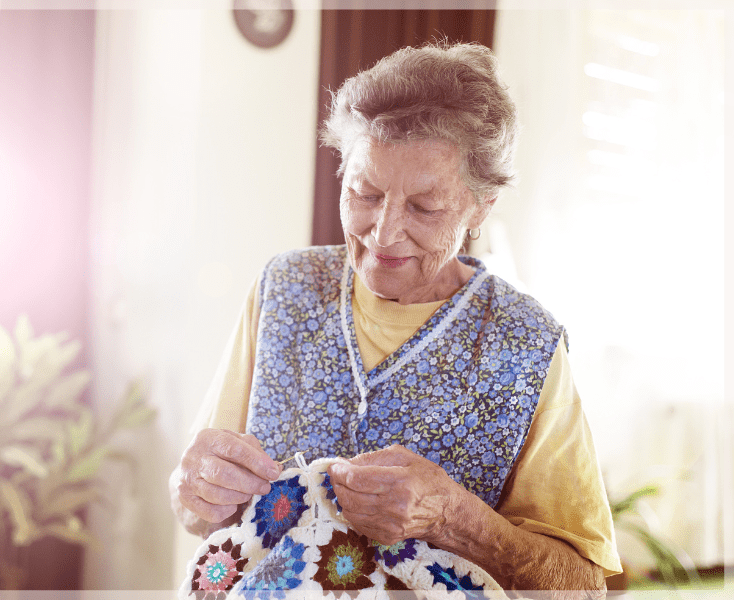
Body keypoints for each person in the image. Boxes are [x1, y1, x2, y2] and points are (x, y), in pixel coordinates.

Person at [169, 41, 621, 595]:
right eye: (364, 193)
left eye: (424, 208)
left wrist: (453, 518)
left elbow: (582, 584)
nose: (382, 234)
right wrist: (192, 487)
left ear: (480, 207)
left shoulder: (526, 345)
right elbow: (197, 511)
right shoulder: (283, 290)